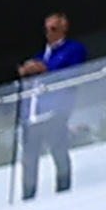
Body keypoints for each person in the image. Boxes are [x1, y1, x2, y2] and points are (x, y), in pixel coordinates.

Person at [16, 15, 89, 199]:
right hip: (32, 116)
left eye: (54, 28)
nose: (49, 33)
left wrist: (44, 69)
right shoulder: (41, 56)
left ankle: (63, 193)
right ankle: (28, 197)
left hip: (54, 113)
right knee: (29, 160)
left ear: (64, 29)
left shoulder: (73, 49)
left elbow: (72, 74)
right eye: (47, 29)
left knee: (59, 152)